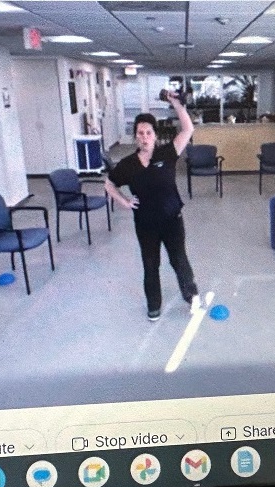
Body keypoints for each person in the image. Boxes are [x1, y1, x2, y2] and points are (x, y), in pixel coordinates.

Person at [104, 91, 201, 322]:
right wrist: (125, 202)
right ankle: (154, 305)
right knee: (151, 264)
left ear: (155, 135)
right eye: (140, 133)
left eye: (149, 132)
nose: (145, 136)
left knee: (178, 258)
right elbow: (109, 184)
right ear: (135, 137)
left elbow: (188, 130)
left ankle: (191, 296)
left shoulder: (167, 154)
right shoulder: (127, 165)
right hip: (145, 224)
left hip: (172, 220)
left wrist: (176, 103)